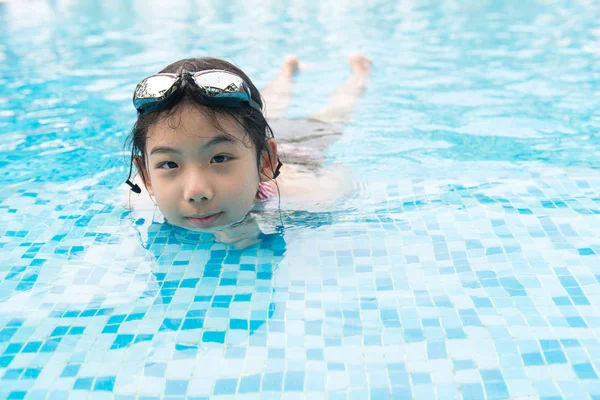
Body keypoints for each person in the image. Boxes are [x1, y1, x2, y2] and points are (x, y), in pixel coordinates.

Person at [125, 53, 371, 248]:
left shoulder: (305, 197)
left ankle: (359, 74)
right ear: (146, 176)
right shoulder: (138, 199)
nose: (196, 192)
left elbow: (340, 180)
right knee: (269, 107)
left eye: (219, 158)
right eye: (169, 164)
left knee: (336, 113)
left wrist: (264, 223)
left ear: (265, 162)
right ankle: (287, 71)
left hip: (303, 149)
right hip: (246, 141)